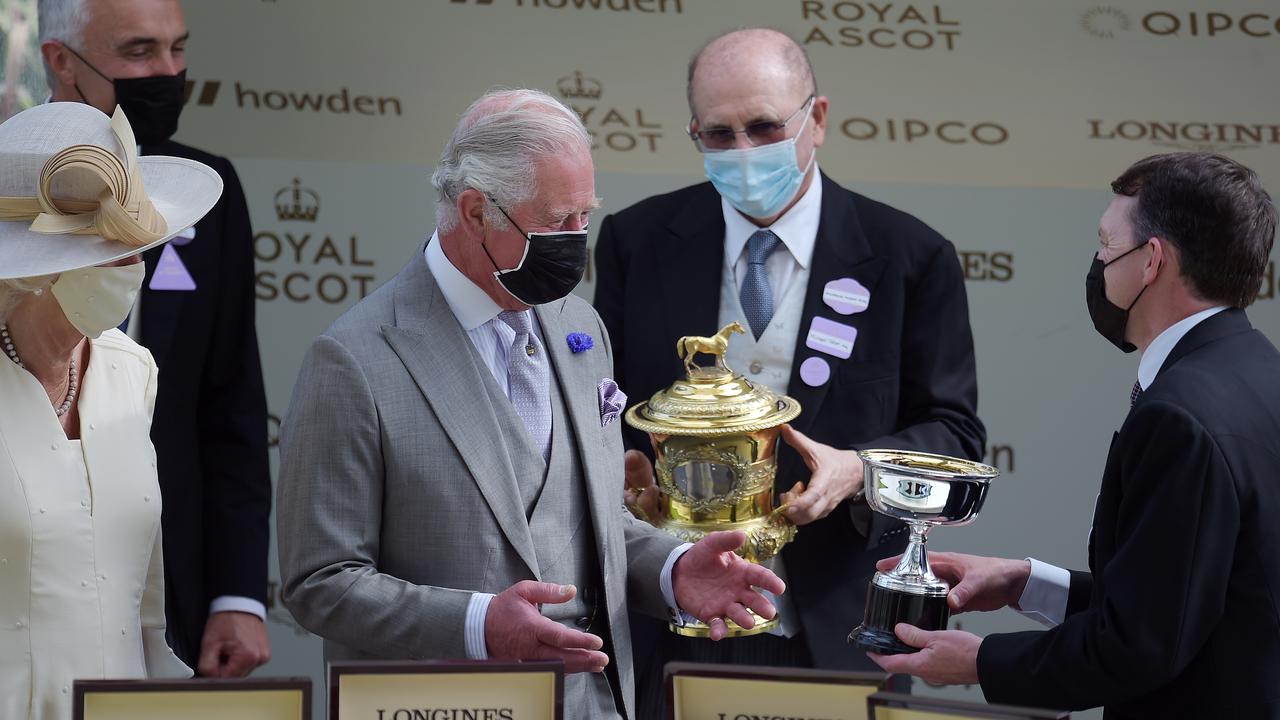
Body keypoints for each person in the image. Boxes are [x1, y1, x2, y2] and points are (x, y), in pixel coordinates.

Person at [276, 88, 786, 720]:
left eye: (584, 218)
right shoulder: (354, 359)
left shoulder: (581, 327)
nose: (576, 241)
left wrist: (673, 571)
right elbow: (320, 583)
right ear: (474, 212)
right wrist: (476, 624)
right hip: (445, 707)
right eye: (554, 223)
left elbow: (592, 524)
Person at [592, 27, 985, 711]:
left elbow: (955, 435)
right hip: (669, 621)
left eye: (764, 126)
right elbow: (607, 409)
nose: (744, 151)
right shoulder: (638, 242)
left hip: (838, 628)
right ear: (694, 133)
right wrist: (620, 464)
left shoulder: (908, 257)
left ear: (818, 120)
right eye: (719, 134)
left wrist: (859, 469)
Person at [870, 152, 1280, 718]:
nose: (1098, 262)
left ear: (1151, 261)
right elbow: (1182, 603)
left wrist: (981, 662)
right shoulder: (1260, 373)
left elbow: (1140, 645)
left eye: (1107, 244)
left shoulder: (1179, 414)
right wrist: (1023, 583)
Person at [38, 0, 273, 677]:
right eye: (140, 52)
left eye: (177, 49)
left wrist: (238, 594)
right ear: (61, 61)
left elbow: (229, 406)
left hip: (170, 595)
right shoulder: (7, 182)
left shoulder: (206, 191)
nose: (169, 72)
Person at [0, 101, 223, 719]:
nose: (133, 265)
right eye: (110, 246)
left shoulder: (132, 371)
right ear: (29, 268)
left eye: (137, 245)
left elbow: (143, 602)